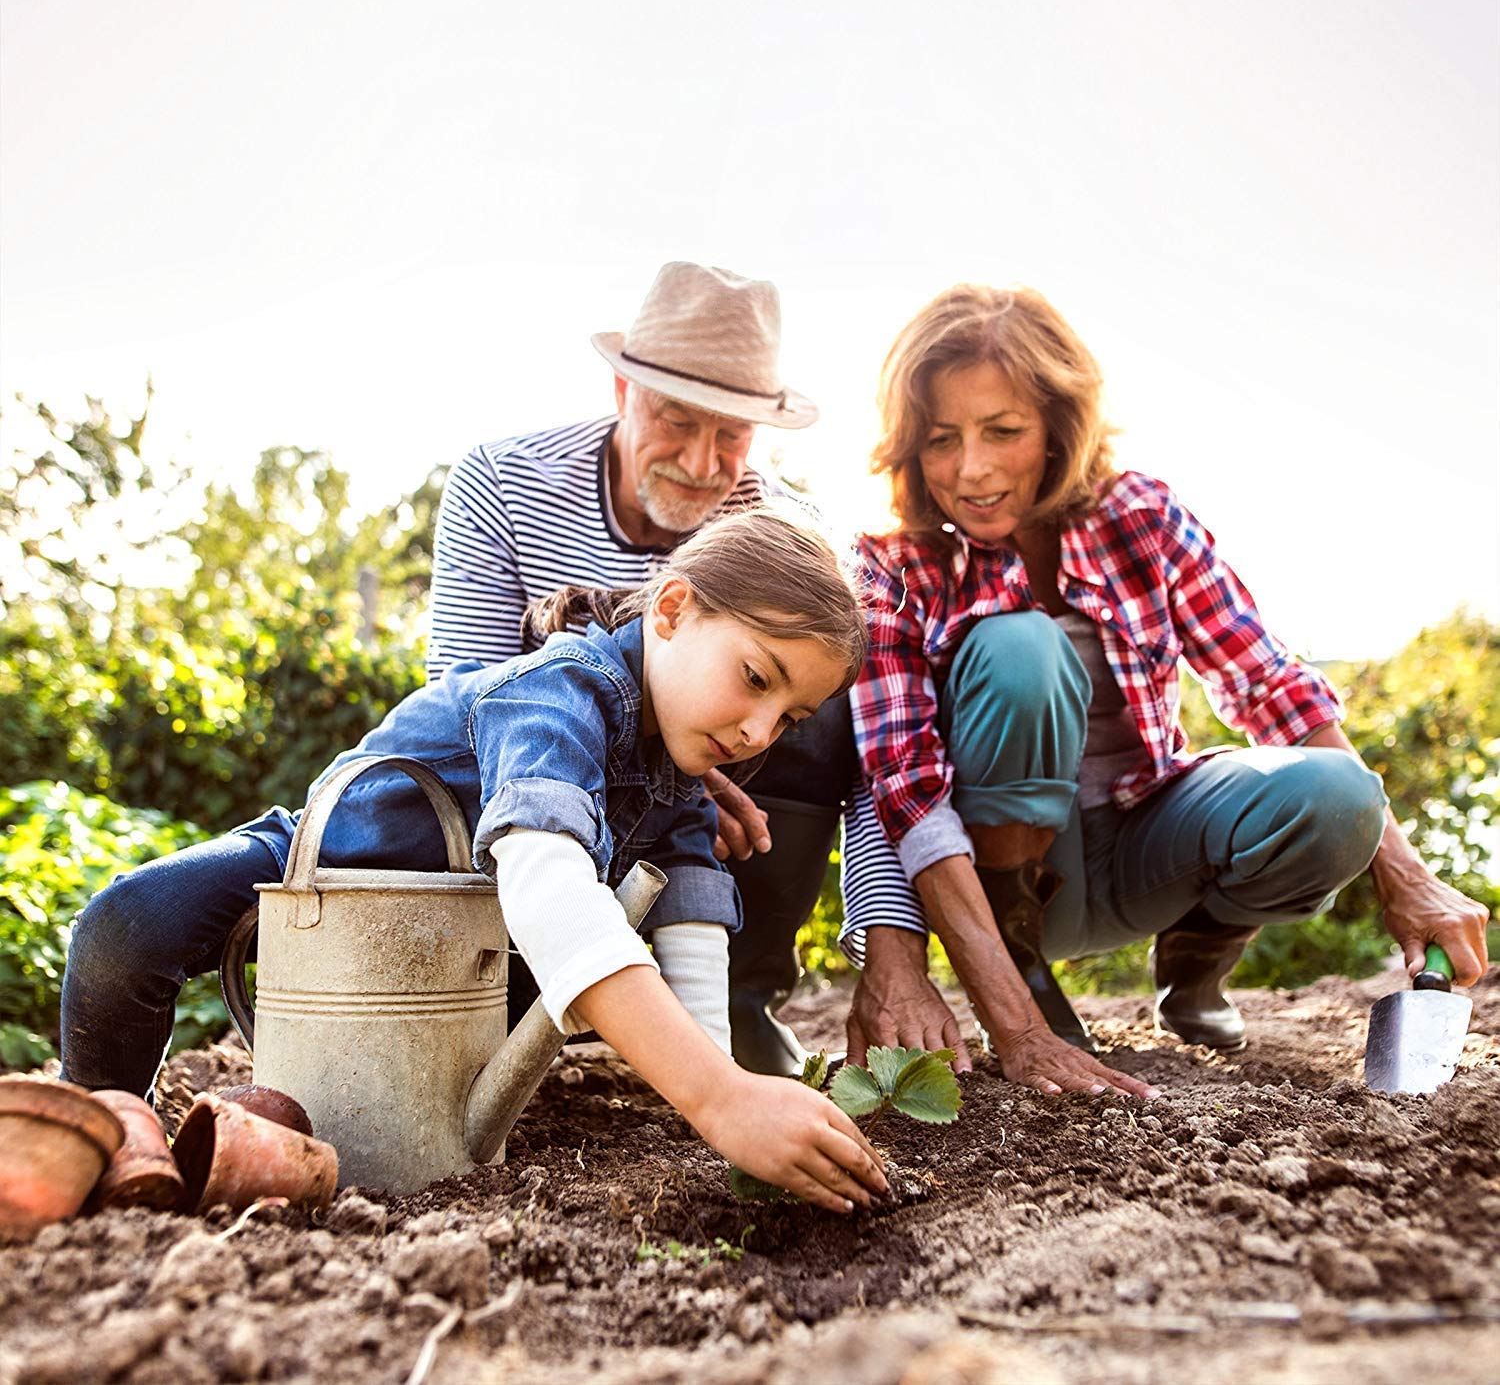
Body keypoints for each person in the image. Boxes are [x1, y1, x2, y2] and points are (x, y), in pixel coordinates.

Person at [60, 509, 889, 1212]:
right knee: (127, 924)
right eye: (756, 678)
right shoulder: (560, 693)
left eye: (789, 718)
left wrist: (723, 1081)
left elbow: (691, 916)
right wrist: (718, 1099)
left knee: (546, 990)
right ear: (672, 609)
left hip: (452, 958)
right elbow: (546, 879)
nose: (756, 732)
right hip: (323, 869)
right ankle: (100, 1131)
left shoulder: (677, 761)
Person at [841, 284, 1490, 1096]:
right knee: (1019, 649)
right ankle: (1027, 971)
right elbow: (905, 796)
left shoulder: (1141, 515)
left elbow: (1268, 685)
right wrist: (1020, 1032)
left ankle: (1195, 958)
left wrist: (1407, 876)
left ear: (1055, 428)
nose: (971, 470)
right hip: (1005, 881)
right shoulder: (894, 565)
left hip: (1148, 839)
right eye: (942, 440)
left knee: (1340, 797)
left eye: (1003, 431)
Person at [428, 259, 875, 1076]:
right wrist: (681, 772)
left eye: (733, 434)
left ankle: (741, 991)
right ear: (622, 392)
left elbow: (863, 765)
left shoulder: (782, 526)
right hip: (540, 790)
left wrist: (886, 949)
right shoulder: (501, 480)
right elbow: (470, 693)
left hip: (689, 801)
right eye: (678, 419)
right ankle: (513, 982)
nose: (706, 464)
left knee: (816, 685)